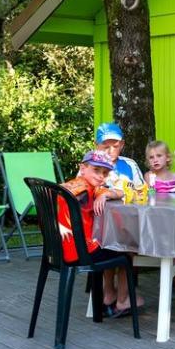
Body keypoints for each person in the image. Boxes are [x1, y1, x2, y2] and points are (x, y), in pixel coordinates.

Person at [59, 150, 136, 316]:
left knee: (108, 243)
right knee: (126, 248)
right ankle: (123, 301)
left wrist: (105, 193)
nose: (101, 176)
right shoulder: (83, 191)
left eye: (105, 173)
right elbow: (84, 195)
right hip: (81, 252)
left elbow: (119, 192)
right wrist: (103, 193)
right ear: (82, 168)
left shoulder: (76, 186)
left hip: (59, 250)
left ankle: (108, 296)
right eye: (96, 170)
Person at [93, 122, 146, 315]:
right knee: (125, 247)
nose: (110, 150)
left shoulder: (129, 164)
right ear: (96, 145)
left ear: (122, 145)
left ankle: (112, 295)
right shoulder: (92, 166)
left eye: (115, 145)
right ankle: (121, 298)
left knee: (123, 239)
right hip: (98, 229)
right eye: (105, 145)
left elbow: (141, 191)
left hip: (126, 222)